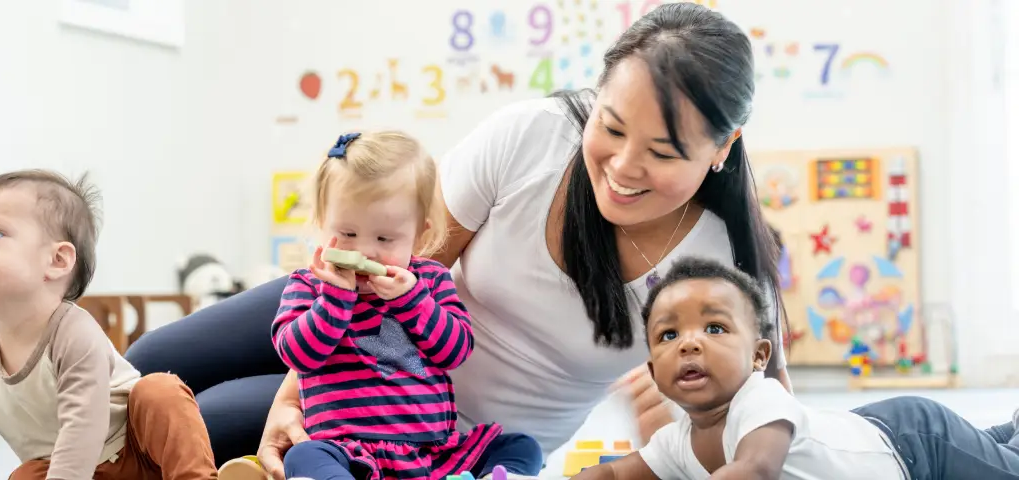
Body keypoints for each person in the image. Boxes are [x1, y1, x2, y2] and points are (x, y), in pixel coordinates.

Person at [124, 3, 791, 479]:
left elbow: (750, 430)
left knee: (193, 423)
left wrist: (676, 440)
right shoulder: (533, 136)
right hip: (362, 316)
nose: (620, 168)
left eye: (662, 151)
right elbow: (415, 260)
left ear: (722, 149)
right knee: (149, 360)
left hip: (430, 433)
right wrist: (293, 395)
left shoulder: (722, 265)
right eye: (612, 128)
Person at [244, 132, 542, 480]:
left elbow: (456, 350)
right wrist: (334, 301)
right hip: (346, 451)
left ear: (419, 236)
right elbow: (298, 355)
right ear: (321, 223)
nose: (365, 251)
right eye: (348, 233)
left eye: (384, 238)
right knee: (305, 457)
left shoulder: (429, 281)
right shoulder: (309, 285)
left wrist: (412, 301)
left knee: (521, 446)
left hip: (433, 453)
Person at [573, 256, 1019, 480]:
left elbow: (754, 469)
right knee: (992, 445)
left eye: (714, 327)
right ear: (653, 372)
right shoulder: (677, 442)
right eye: (669, 335)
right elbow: (615, 472)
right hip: (864, 433)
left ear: (759, 357)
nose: (689, 343)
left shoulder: (759, 401)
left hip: (916, 449)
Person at [0, 170, 218, 479]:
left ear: (57, 260)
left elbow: (83, 426)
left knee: (160, 392)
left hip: (139, 452)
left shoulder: (74, 333)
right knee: (26, 475)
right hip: (66, 464)